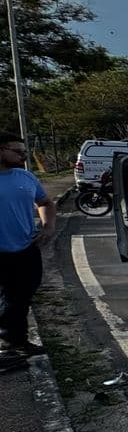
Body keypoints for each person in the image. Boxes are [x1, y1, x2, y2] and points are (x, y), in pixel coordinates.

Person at [0, 133, 54, 355]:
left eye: (24, 151)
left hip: (24, 249)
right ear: (1, 150)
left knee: (21, 296)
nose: (24, 155)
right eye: (18, 151)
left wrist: (48, 226)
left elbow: (45, 202)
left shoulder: (26, 177)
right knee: (7, 297)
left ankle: (16, 340)